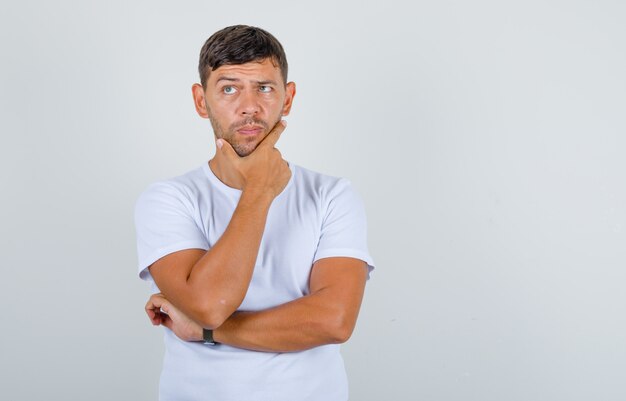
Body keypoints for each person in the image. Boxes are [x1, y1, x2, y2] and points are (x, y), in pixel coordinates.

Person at [134, 25, 375, 401]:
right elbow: (211, 305)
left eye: (264, 87)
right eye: (229, 88)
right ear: (201, 101)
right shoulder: (168, 199)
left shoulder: (332, 195)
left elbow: (334, 320)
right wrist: (260, 190)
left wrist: (206, 333)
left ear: (288, 97)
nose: (249, 106)